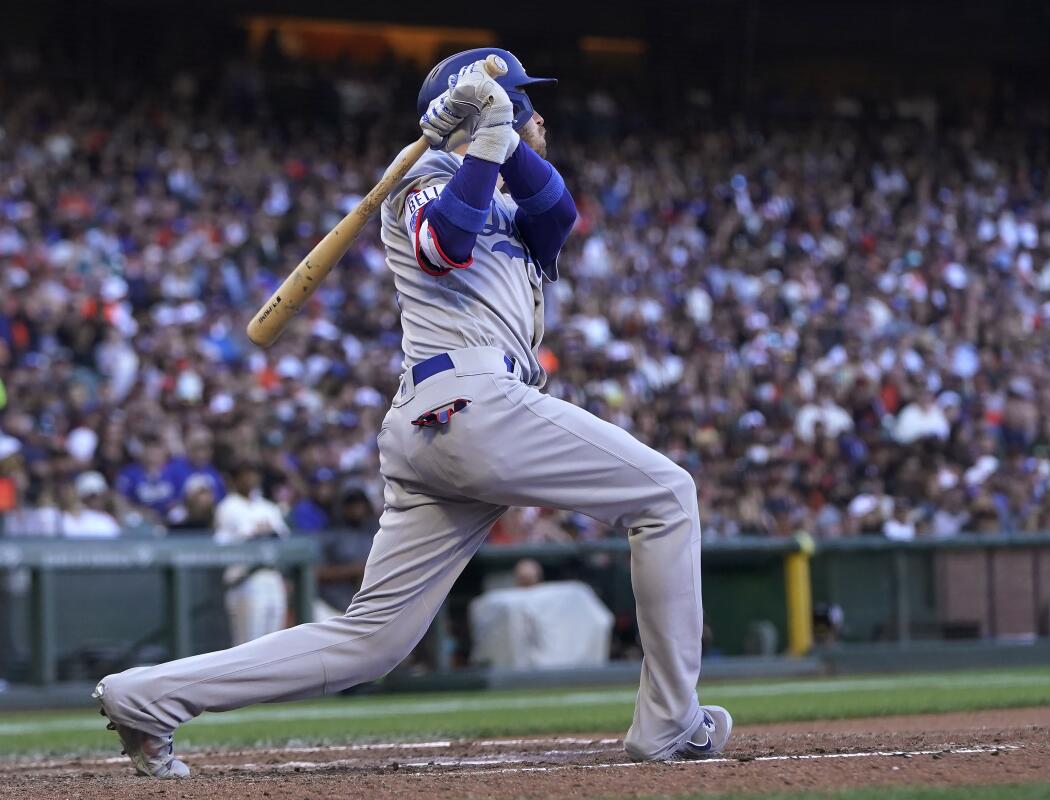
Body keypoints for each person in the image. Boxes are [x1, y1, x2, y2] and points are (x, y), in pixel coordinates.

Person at [92, 48, 730, 778]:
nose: (542, 114)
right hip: (470, 401)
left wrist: (498, 135)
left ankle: (147, 698)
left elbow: (559, 211)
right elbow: (445, 246)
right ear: (494, 111)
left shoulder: (516, 206)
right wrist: (487, 139)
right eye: (526, 101)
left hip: (447, 425)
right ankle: (673, 723)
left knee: (373, 641)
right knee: (667, 496)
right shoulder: (418, 187)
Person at [212, 463, 290, 646]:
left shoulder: (268, 506)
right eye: (245, 474)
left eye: (253, 474)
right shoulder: (227, 506)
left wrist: (262, 532)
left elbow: (283, 537)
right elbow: (236, 539)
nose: (250, 479)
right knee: (248, 645)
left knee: (276, 643)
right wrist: (259, 531)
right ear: (234, 479)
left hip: (272, 576)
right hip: (244, 579)